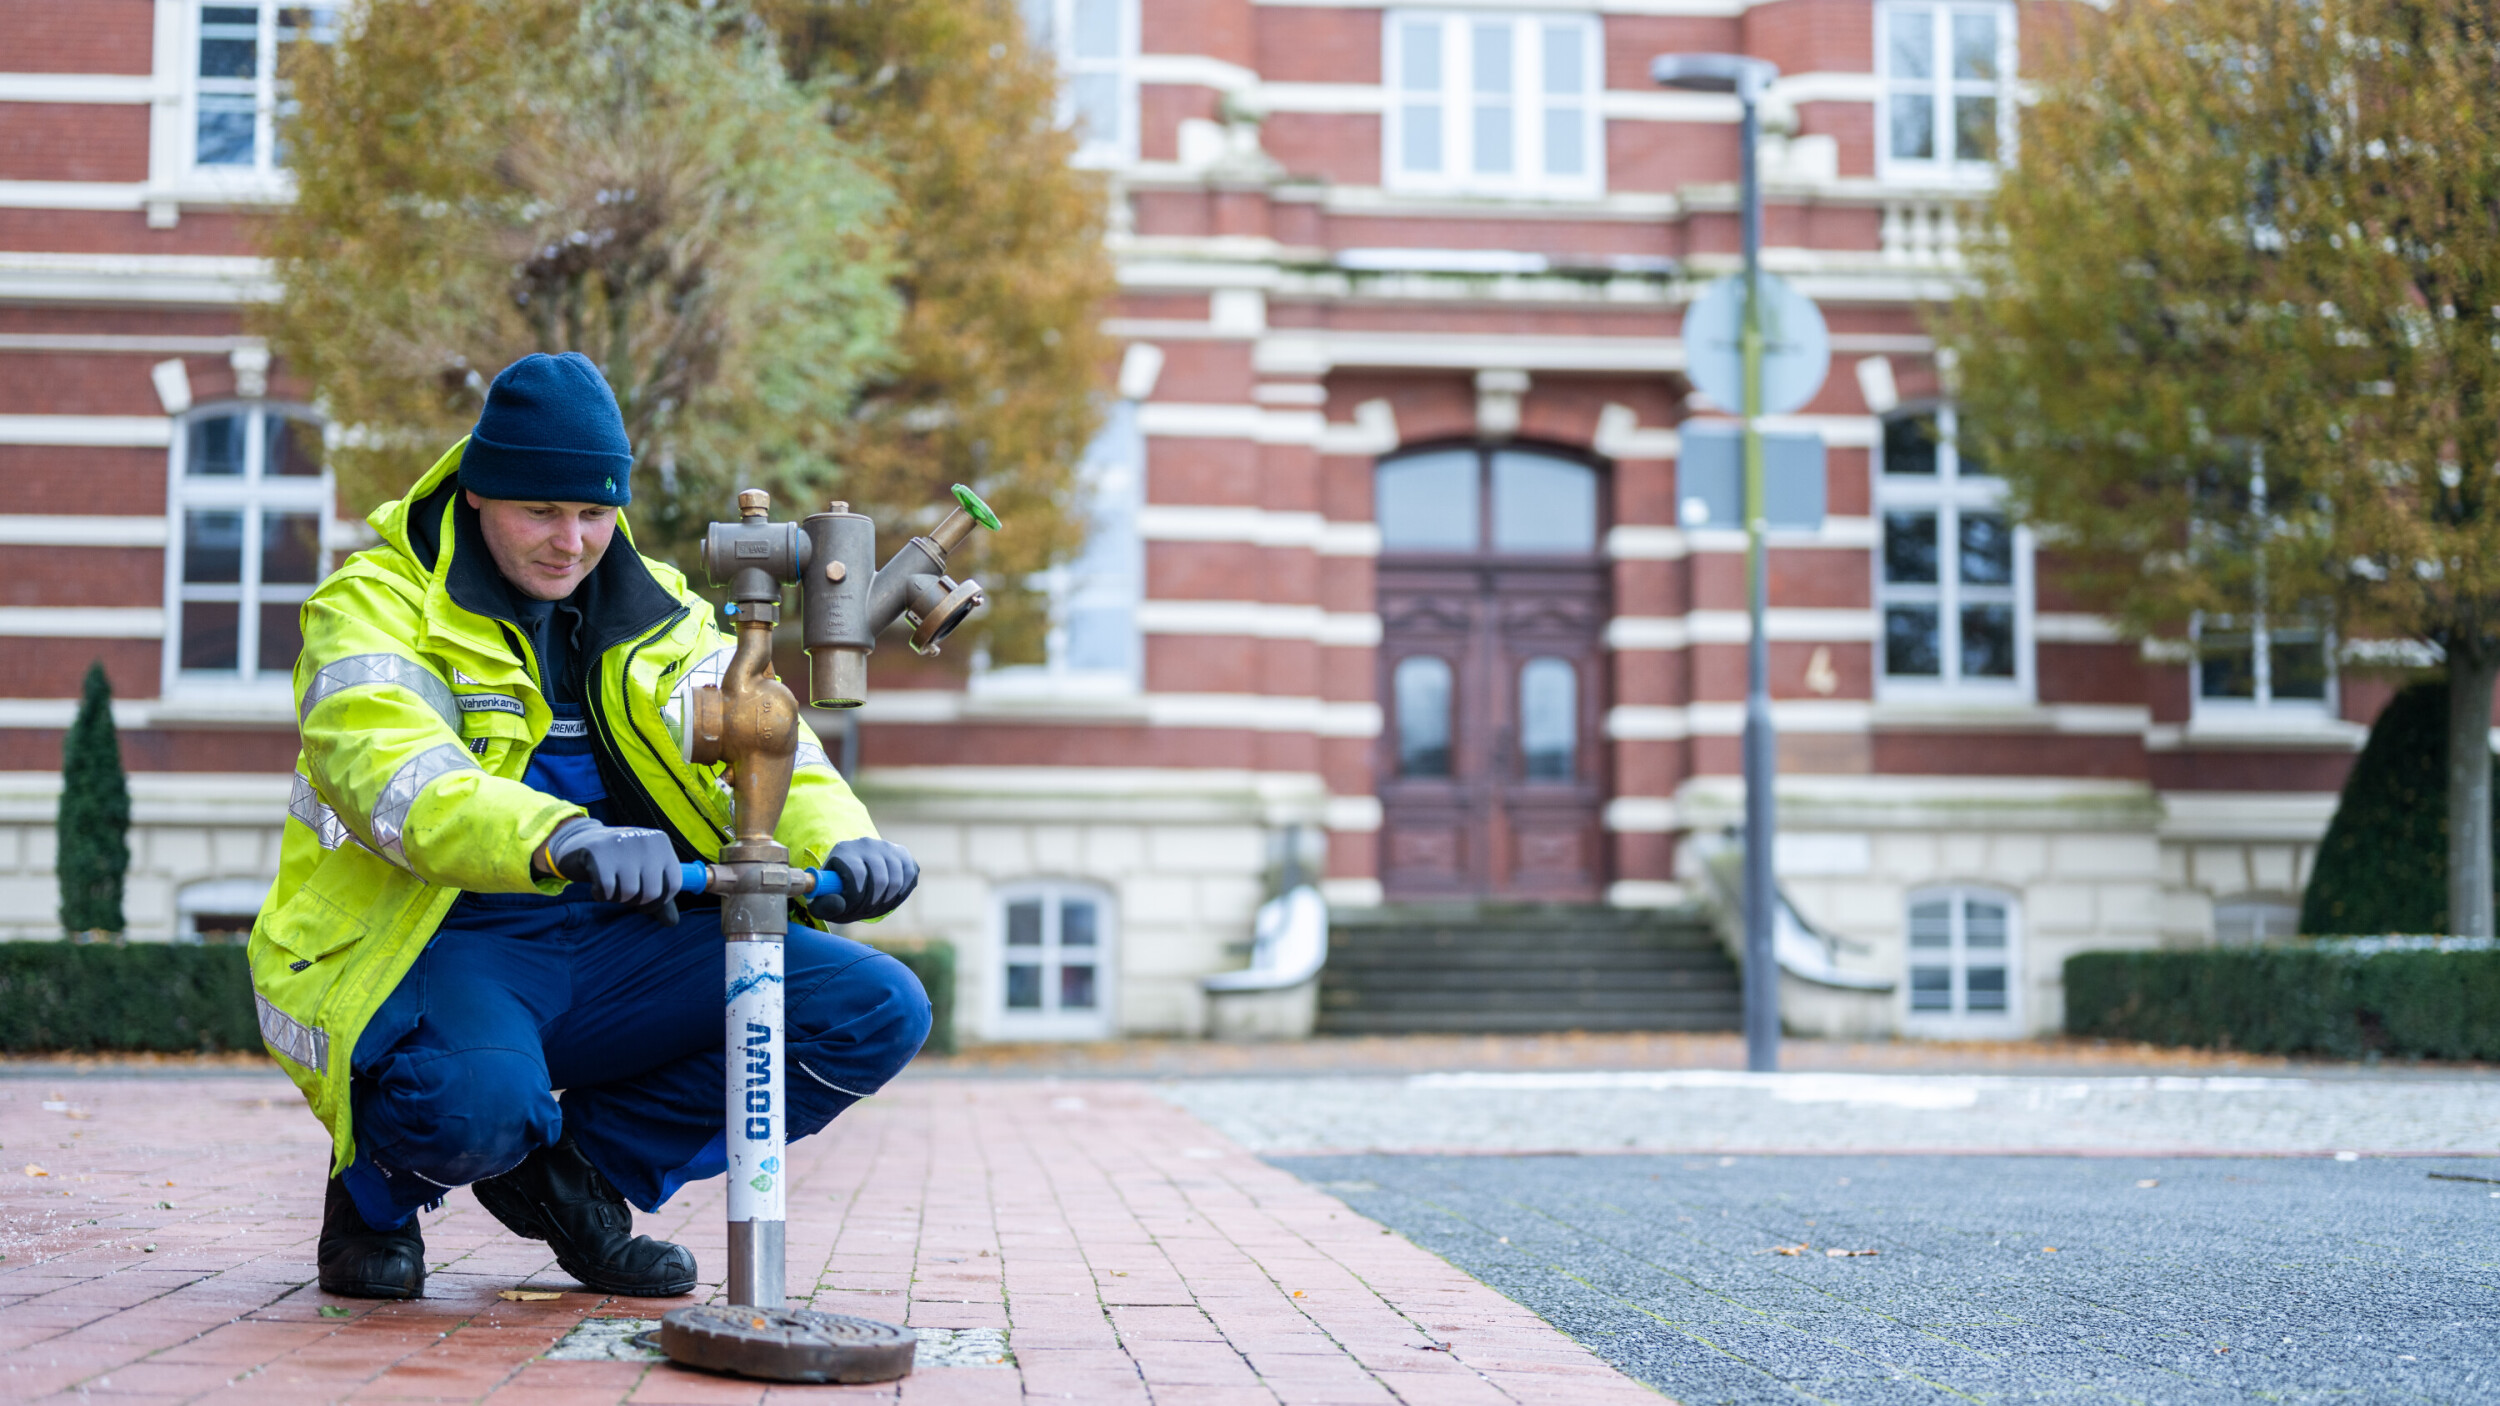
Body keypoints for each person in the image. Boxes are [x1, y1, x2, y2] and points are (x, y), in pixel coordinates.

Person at [251, 352, 929, 1300]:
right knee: (476, 1108)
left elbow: (770, 743)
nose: (572, 543)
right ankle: (373, 1194)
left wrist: (840, 841)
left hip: (625, 940)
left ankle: (573, 1182)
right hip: (446, 936)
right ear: (479, 492)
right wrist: (565, 836)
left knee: (874, 1008)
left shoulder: (657, 611)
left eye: (594, 514)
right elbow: (394, 773)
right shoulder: (376, 605)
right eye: (542, 512)